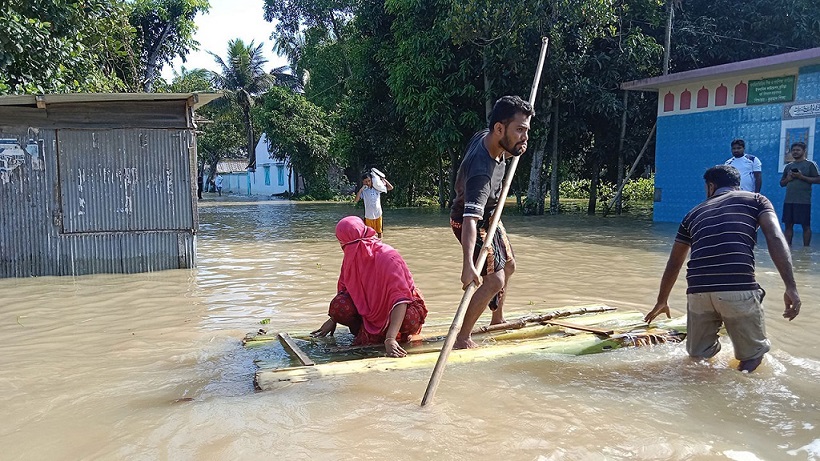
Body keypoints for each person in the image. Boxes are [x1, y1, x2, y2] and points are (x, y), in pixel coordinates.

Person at [645, 165, 801, 373]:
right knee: (752, 357)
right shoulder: (756, 200)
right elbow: (774, 237)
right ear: (737, 184)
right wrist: (790, 286)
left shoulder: (692, 214)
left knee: (698, 359)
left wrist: (661, 300)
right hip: (736, 287)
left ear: (711, 186)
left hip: (697, 292)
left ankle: (699, 397)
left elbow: (674, 262)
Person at [450, 95, 534, 349]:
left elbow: (502, 149)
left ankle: (497, 318)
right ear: (499, 128)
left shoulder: (488, 137)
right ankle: (462, 337)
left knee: (509, 265)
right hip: (469, 222)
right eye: (519, 130)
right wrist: (468, 265)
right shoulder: (480, 173)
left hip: (490, 215)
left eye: (526, 130)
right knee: (493, 280)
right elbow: (469, 221)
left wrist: (512, 150)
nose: (524, 137)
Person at [311, 216, 428, 357]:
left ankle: (394, 334)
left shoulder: (388, 257)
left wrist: (390, 338)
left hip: (399, 310)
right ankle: (365, 330)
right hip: (368, 312)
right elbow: (345, 291)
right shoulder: (351, 258)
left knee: (409, 318)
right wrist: (333, 320)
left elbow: (401, 299)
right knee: (339, 306)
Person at [779, 142, 820, 246]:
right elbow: (782, 183)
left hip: (803, 201)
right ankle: (788, 248)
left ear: (804, 151)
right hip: (789, 200)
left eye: (798, 150)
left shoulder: (810, 165)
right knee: (788, 225)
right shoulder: (789, 166)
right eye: (793, 150)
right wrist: (788, 179)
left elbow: (818, 180)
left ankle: (806, 250)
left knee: (805, 226)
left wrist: (802, 177)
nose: (795, 152)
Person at [354, 172, 393, 238]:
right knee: (369, 234)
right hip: (369, 216)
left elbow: (390, 188)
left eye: (369, 181)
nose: (368, 183)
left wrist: (383, 179)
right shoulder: (364, 191)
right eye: (365, 182)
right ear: (363, 182)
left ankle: (380, 245)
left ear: (372, 180)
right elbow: (356, 200)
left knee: (380, 232)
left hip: (378, 214)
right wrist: (361, 189)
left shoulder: (377, 189)